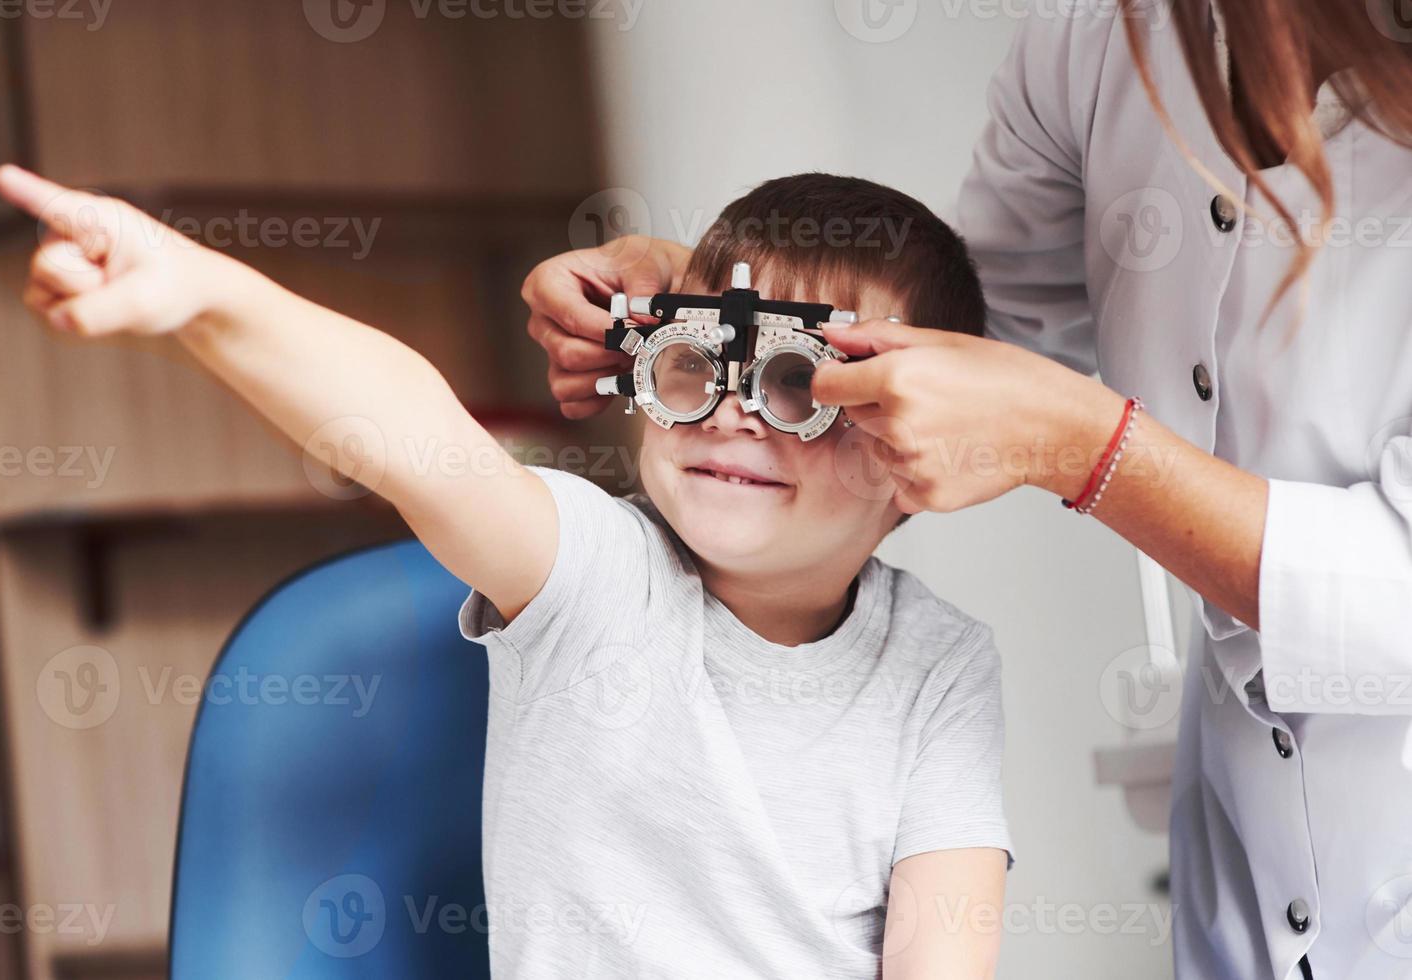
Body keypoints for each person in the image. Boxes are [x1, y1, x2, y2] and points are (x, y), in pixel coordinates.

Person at [524, 2, 1412, 977]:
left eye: (776, 391)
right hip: (1247, 873)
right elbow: (951, 329)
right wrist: (719, 302)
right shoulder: (1095, 37)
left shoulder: (935, 667)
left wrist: (1085, 448)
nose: (737, 417)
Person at [0, 167, 1014, 978]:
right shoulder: (597, 575)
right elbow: (403, 430)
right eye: (704, 364)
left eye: (797, 383)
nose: (734, 411)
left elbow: (943, 951)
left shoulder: (940, 662)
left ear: (916, 458)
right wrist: (200, 293)